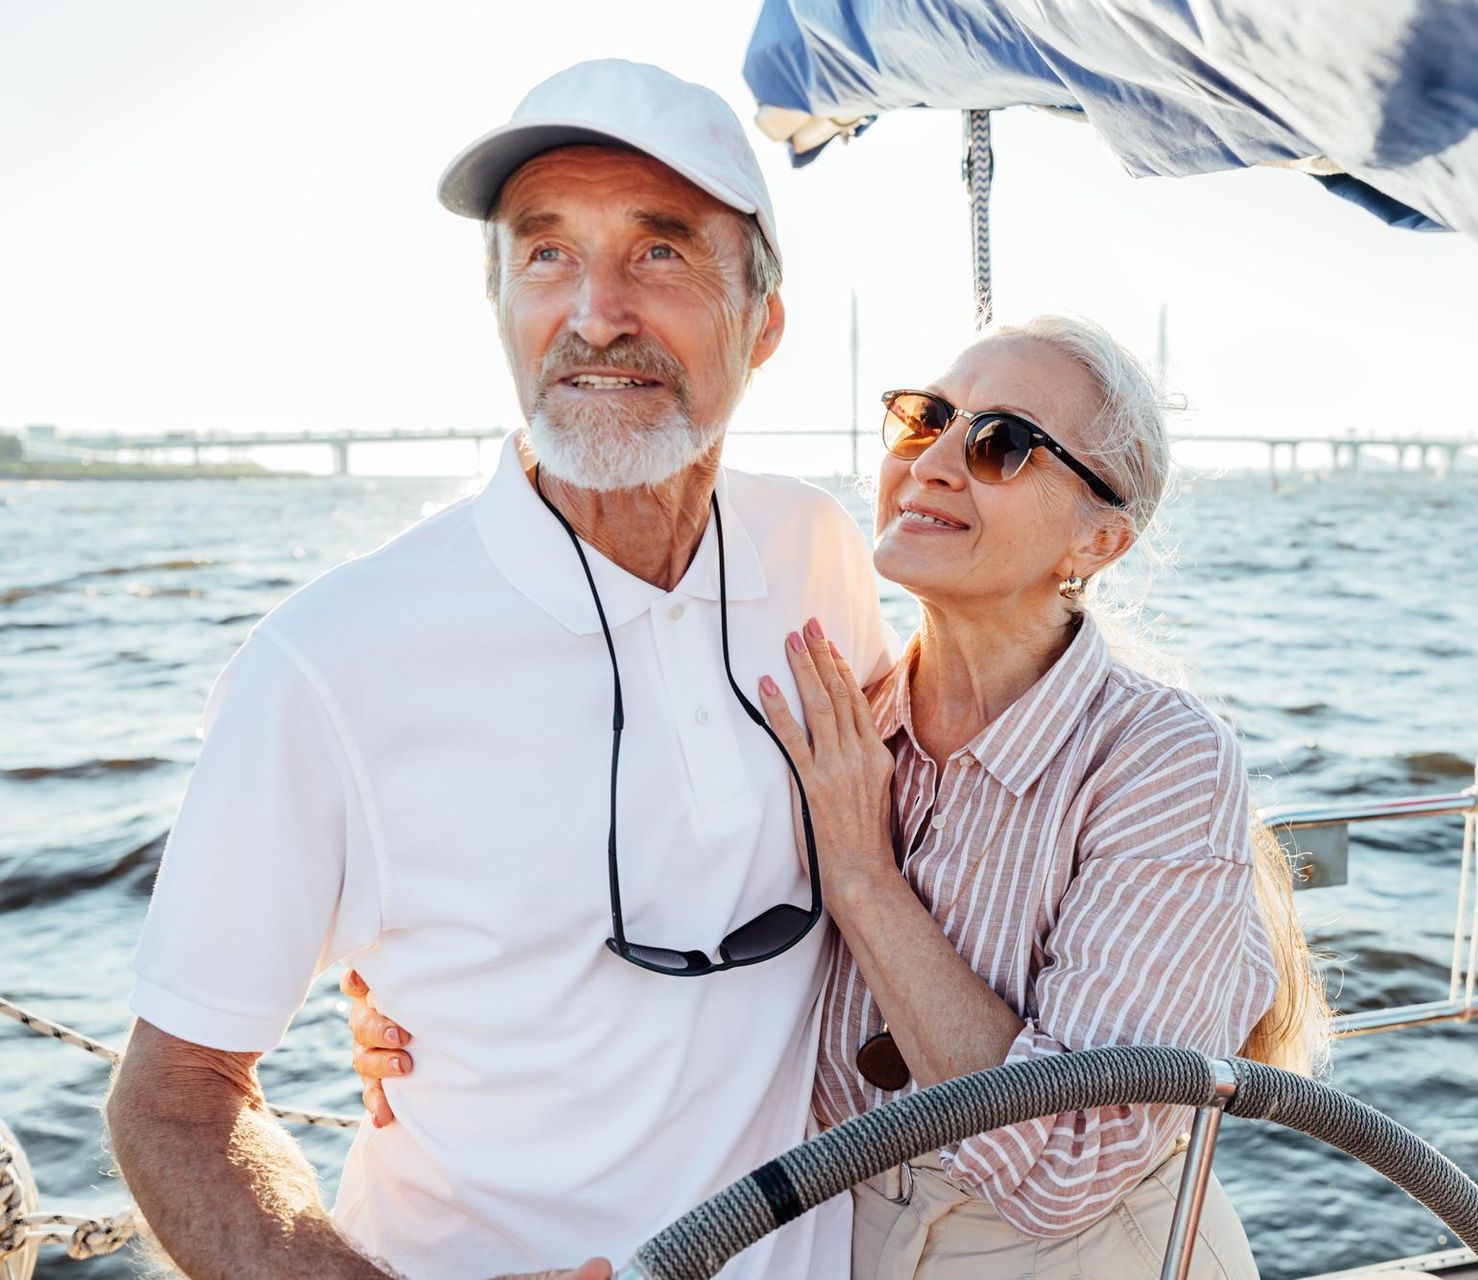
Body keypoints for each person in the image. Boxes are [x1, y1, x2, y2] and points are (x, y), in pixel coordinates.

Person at [104, 60, 893, 1280]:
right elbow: (171, 1101)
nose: (596, 313)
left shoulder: (816, 552)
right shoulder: (328, 661)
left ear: (765, 320)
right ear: (498, 305)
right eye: (545, 257)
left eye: (661, 253)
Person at [348, 315, 1331, 1279]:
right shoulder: (838, 712)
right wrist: (439, 1011)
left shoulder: (1160, 760)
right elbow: (662, 912)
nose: (935, 461)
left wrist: (863, 873)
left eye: (1002, 444)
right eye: (925, 417)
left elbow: (1065, 1163)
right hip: (838, 1239)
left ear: (1098, 538)